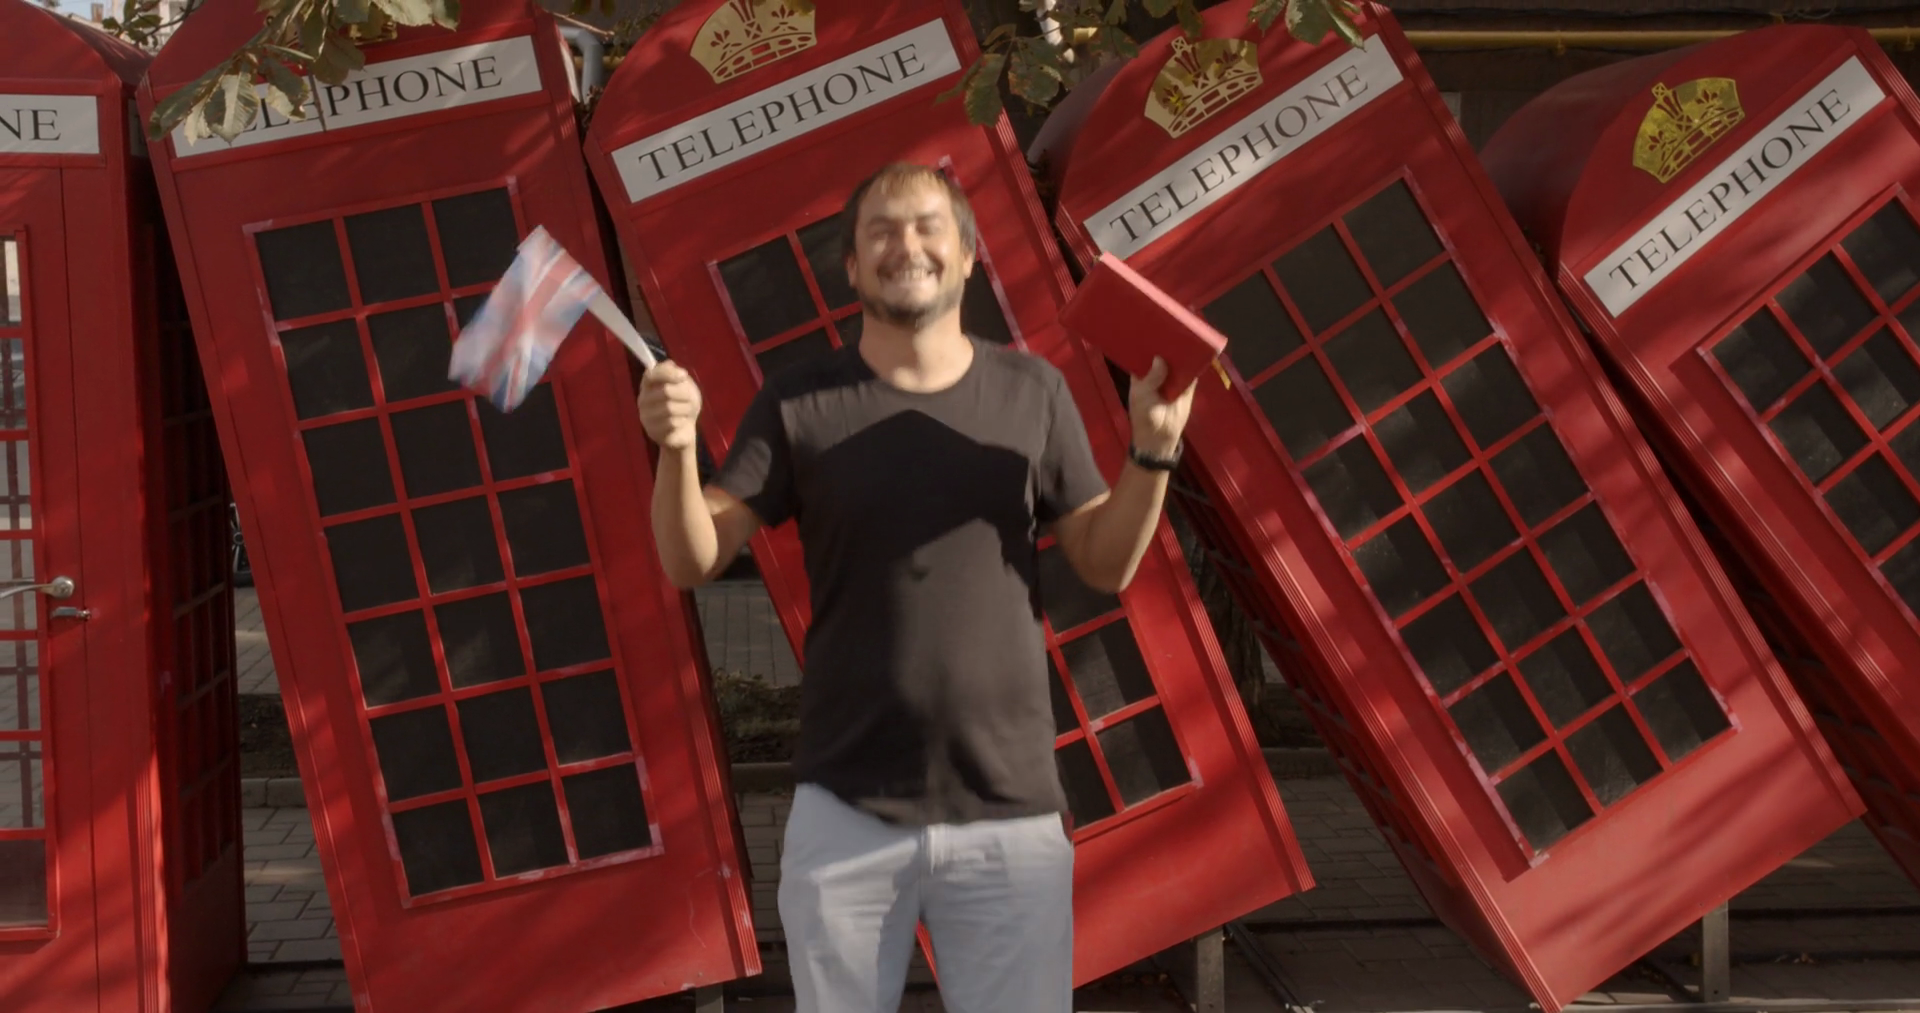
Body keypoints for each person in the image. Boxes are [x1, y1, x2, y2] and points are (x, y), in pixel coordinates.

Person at [637, 162, 1195, 1013]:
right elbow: (693, 557)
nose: (907, 245)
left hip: (1009, 808)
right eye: (882, 230)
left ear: (968, 256)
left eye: (929, 225)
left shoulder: (1033, 390)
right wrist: (676, 452)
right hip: (846, 808)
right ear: (852, 266)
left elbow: (1104, 562)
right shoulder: (799, 400)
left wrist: (1151, 451)